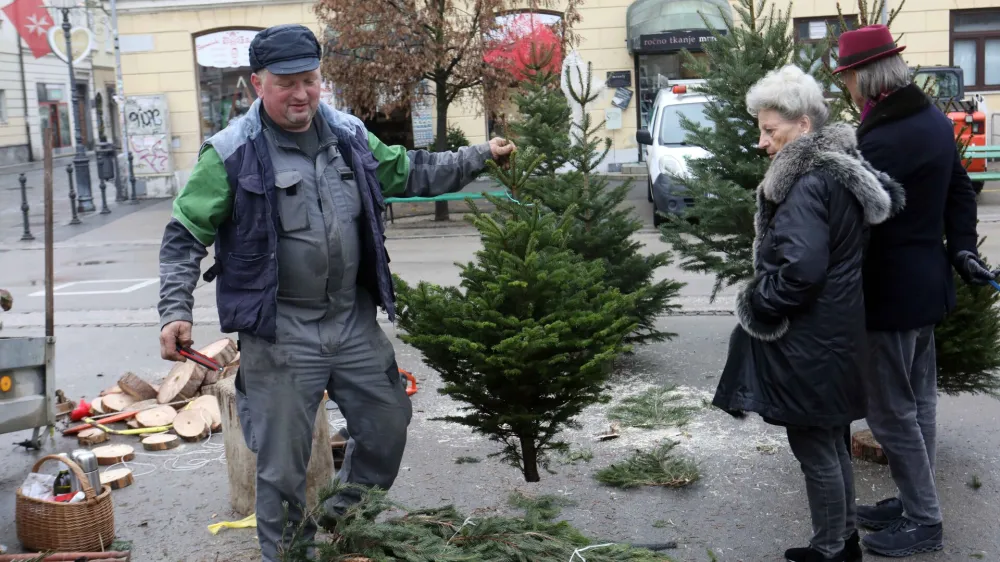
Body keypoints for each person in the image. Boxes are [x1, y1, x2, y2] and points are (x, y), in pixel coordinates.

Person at [155, 24, 515, 562]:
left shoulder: (347, 134)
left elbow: (408, 171)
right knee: (281, 466)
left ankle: (341, 520)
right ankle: (290, 555)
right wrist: (173, 310)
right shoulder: (230, 153)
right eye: (286, 83)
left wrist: (479, 154)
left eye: (310, 79)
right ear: (258, 84)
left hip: (351, 320)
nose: (301, 93)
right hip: (279, 331)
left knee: (388, 426)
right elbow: (185, 235)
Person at [712, 65, 905, 562]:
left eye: (769, 130)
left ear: (803, 127)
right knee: (830, 441)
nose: (762, 141)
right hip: (835, 334)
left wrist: (759, 302)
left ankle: (831, 549)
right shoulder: (837, 172)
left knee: (816, 448)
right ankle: (842, 541)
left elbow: (802, 270)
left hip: (810, 340)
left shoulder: (806, 184)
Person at [833, 25, 997, 557]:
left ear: (865, 76)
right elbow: (958, 192)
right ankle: (912, 501)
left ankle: (924, 520)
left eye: (848, 78)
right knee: (919, 402)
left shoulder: (881, 138)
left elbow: (856, 221)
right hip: (926, 284)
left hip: (889, 294)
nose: (846, 88)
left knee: (888, 412)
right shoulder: (928, 120)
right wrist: (962, 249)